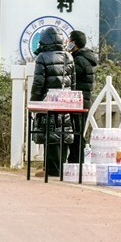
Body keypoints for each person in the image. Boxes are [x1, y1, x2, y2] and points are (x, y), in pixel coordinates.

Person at [30, 26, 75, 176]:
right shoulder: (69, 56)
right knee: (63, 132)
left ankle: (51, 170)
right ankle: (60, 168)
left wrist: (34, 102)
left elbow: (38, 83)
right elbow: (73, 83)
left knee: (49, 133)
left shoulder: (42, 57)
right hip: (65, 102)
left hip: (48, 102)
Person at [68, 30, 99, 162]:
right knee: (77, 132)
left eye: (69, 40)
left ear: (74, 43)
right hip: (83, 100)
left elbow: (69, 77)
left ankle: (76, 162)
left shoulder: (79, 60)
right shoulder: (84, 57)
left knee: (76, 133)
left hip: (78, 101)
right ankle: (75, 160)